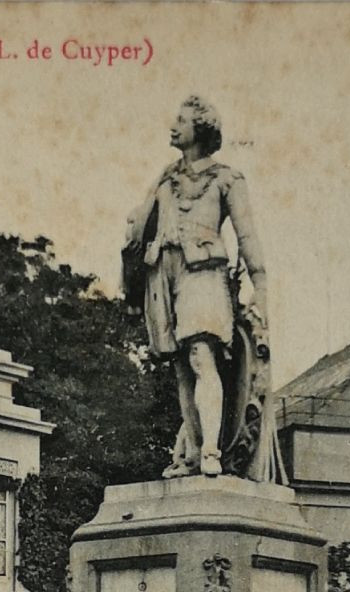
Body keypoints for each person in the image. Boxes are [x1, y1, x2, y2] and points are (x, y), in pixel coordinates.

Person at [124, 94, 269, 479]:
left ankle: (210, 450)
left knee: (202, 355)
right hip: (163, 272)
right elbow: (139, 231)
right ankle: (191, 454)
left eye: (181, 120)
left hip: (203, 271)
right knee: (181, 367)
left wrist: (260, 286)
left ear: (201, 130)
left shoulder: (226, 179)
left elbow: (247, 236)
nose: (172, 125)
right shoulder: (164, 179)